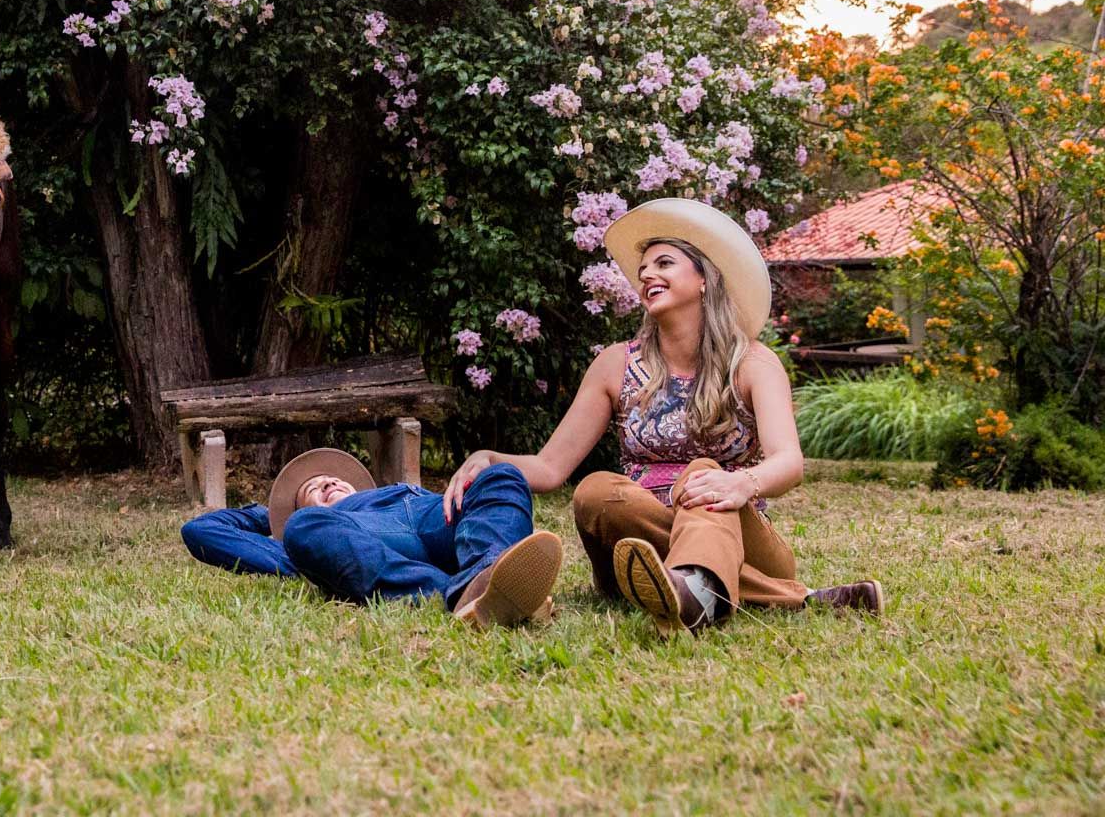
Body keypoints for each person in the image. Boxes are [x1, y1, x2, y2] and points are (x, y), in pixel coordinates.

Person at [441, 197, 885, 637]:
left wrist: (740, 483)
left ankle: (696, 586)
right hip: (638, 543)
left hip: (739, 530)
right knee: (595, 490)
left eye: (665, 264)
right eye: (644, 270)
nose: (648, 275)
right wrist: (489, 456)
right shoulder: (616, 364)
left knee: (701, 474)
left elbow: (789, 462)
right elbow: (551, 467)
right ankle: (759, 595)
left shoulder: (752, 362)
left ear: (705, 279)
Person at [181, 446, 563, 627]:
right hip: (372, 540)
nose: (327, 481)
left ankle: (491, 569)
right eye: (312, 488)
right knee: (305, 529)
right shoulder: (309, 531)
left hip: (439, 517)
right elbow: (201, 531)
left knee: (502, 475)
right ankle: (476, 592)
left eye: (331, 478)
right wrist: (279, 517)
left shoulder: (396, 491)